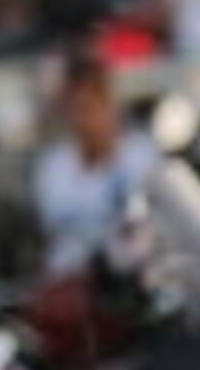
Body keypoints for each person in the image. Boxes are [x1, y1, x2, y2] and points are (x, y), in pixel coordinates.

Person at [29, 44, 157, 276]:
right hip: (73, 277)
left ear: (109, 103)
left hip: (137, 273)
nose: (86, 119)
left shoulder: (143, 154)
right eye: (77, 109)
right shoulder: (53, 168)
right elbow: (56, 228)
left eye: (92, 107)